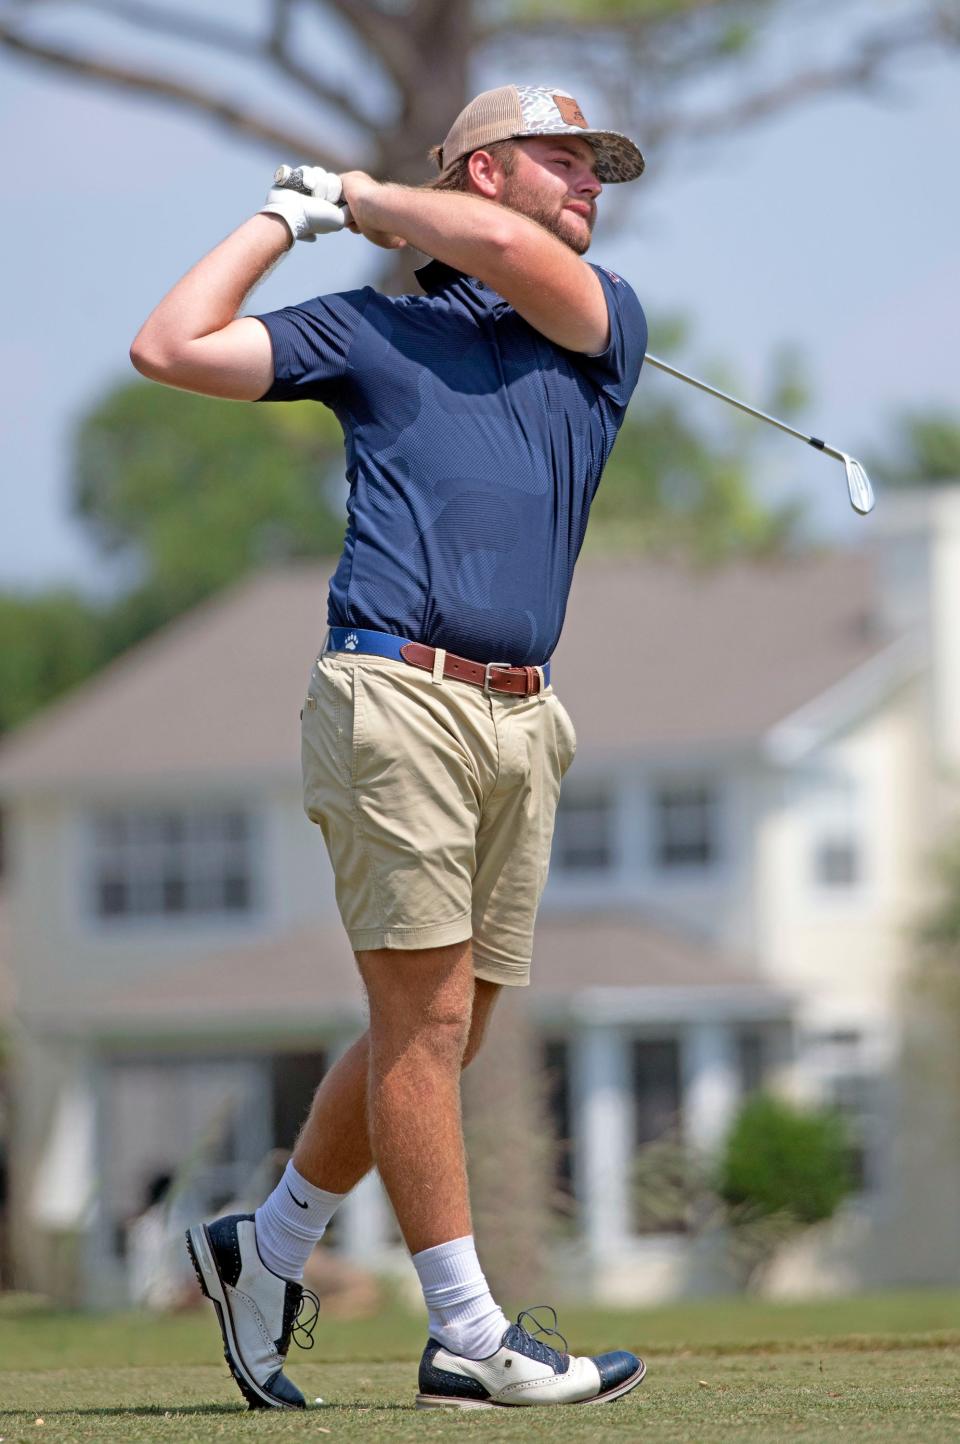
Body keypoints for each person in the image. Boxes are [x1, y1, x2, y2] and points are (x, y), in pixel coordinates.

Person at [131, 82, 648, 1412]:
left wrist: (351, 197)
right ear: (481, 169)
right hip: (394, 691)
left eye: (599, 164)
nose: (592, 180)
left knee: (447, 1027)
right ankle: (469, 1332)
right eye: (563, 156)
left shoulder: (599, 323)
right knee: (421, 1025)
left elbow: (522, 262)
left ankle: (268, 1248)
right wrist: (276, 218)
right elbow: (170, 345)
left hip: (528, 715)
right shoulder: (370, 333)